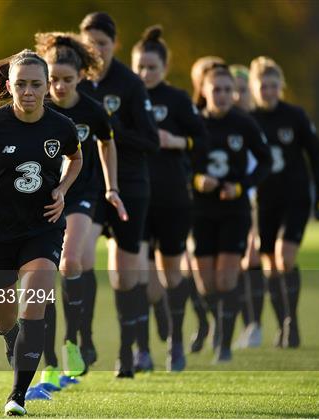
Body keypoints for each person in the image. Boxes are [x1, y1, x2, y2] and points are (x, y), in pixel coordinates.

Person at [0, 49, 82, 416]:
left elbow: (77, 158)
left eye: (35, 84)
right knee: (5, 316)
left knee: (35, 302)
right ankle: (13, 342)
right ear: (8, 86)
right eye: (21, 83)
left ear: (47, 88)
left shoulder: (61, 127)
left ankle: (18, 395)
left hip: (42, 227)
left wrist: (62, 190)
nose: (28, 91)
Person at [33, 31, 126, 387]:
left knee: (71, 262)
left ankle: (74, 340)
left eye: (66, 80)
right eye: (52, 79)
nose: (57, 86)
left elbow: (107, 144)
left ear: (81, 77)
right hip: (45, 197)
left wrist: (112, 187)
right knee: (41, 278)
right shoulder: (38, 108)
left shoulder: (91, 109)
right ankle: (52, 359)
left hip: (83, 193)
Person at [78, 11, 160, 378]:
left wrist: (111, 133)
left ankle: (128, 351)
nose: (95, 49)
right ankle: (82, 339)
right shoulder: (73, 80)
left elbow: (152, 141)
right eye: (89, 43)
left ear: (115, 45)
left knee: (124, 278)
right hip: (91, 187)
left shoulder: (129, 84)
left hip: (129, 185)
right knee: (76, 258)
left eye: (103, 44)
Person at [131, 25, 208, 372]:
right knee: (143, 281)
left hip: (174, 198)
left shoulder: (177, 100)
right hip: (137, 199)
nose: (145, 73)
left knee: (172, 276)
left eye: (151, 67)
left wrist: (176, 141)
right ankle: (142, 350)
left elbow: (202, 138)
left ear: (164, 67)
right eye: (140, 67)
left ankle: (176, 343)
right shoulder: (125, 98)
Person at [191, 63, 271, 363]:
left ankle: (223, 343)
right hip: (201, 211)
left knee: (226, 279)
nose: (224, 95)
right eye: (217, 90)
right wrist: (197, 180)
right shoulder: (195, 123)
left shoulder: (245, 124)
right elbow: (181, 163)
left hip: (234, 211)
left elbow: (264, 163)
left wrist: (240, 187)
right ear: (204, 91)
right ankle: (219, 322)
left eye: (228, 90)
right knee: (206, 283)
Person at [249, 56, 319, 348]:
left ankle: (291, 323)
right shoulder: (249, 120)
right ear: (254, 87)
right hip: (264, 202)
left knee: (285, 257)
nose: (268, 91)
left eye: (273, 85)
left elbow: (317, 156)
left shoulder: (295, 116)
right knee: (269, 265)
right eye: (263, 86)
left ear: (281, 86)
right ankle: (282, 322)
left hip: (294, 198)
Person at [186, 55, 226, 353]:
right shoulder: (190, 117)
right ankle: (204, 321)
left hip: (229, 204)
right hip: (192, 203)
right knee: (193, 272)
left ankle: (221, 324)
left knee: (220, 272)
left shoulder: (234, 119)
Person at [229, 64, 266, 349]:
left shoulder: (252, 124)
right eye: (234, 90)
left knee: (252, 259)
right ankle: (245, 324)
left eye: (243, 90)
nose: (238, 96)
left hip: (255, 199)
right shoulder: (222, 123)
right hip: (230, 202)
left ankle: (256, 324)